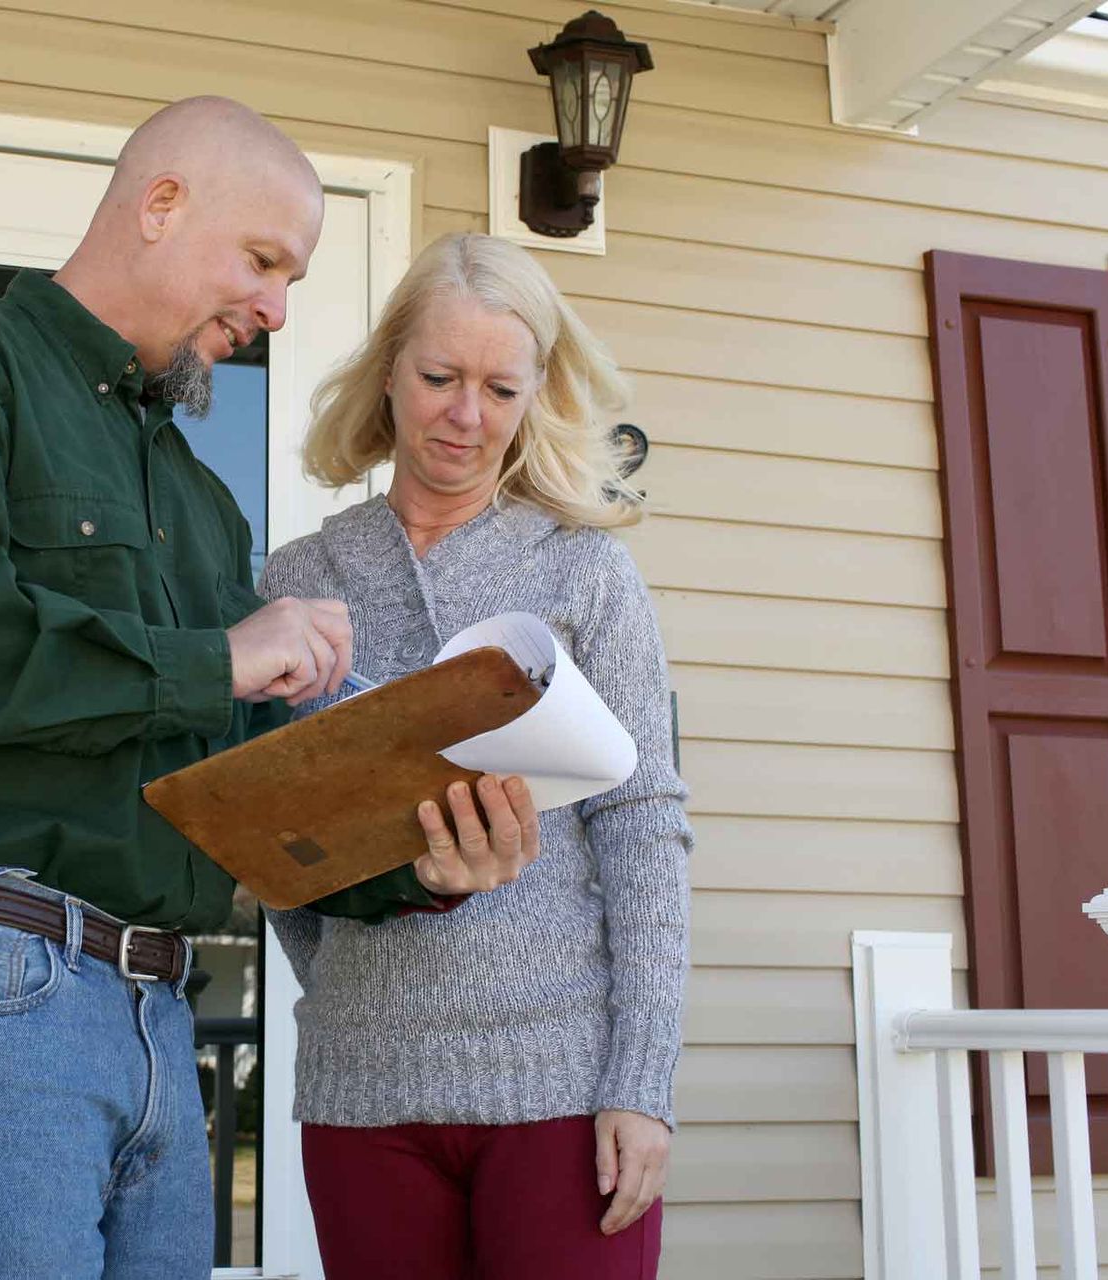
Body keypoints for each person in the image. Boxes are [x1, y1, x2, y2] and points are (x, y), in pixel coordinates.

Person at [0, 99, 533, 1279]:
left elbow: (235, 783)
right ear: (160, 204)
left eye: (294, 278)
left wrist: (422, 857)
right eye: (264, 261)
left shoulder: (198, 501)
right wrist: (221, 656)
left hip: (152, 1011)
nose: (279, 308)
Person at [260, 231, 693, 1280]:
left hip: (565, 1085)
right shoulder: (301, 576)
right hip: (365, 1088)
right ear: (390, 372)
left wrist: (640, 1079)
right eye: (440, 377)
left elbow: (644, 824)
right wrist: (343, 988)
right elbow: (277, 840)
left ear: (536, 392)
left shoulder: (586, 571)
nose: (466, 415)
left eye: (500, 387)